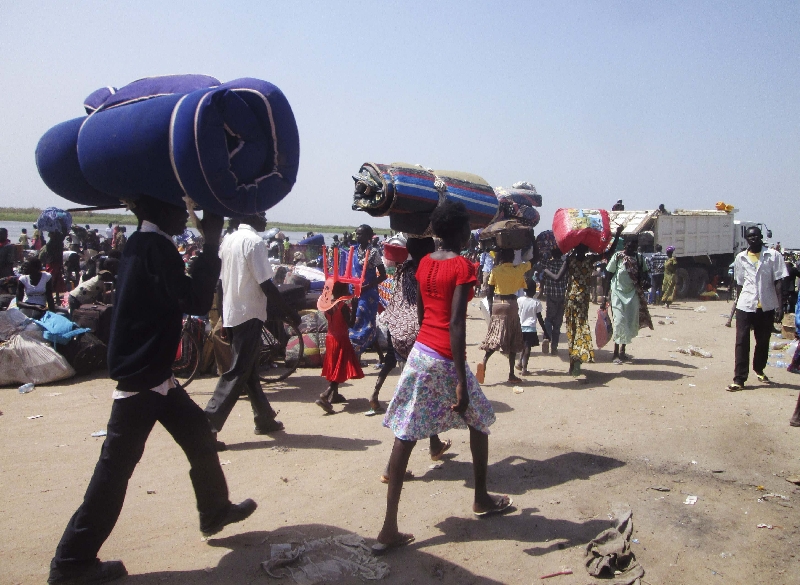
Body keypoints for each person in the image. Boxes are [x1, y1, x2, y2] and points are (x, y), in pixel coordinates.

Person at [48, 195, 256, 585]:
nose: (185, 214)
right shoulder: (156, 248)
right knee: (114, 472)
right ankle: (71, 561)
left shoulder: (141, 243)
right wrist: (210, 244)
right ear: (159, 210)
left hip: (153, 373)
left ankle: (214, 510)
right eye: (179, 208)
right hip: (143, 378)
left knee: (198, 434)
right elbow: (194, 299)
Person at [375, 201, 510, 555]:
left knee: (405, 433)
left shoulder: (423, 264)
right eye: (468, 229)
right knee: (478, 421)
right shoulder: (464, 267)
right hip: (445, 357)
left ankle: (389, 527)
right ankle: (480, 498)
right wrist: (461, 381)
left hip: (421, 353)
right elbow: (457, 324)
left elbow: (423, 313)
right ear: (460, 231)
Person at [204, 213, 300, 448]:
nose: (265, 219)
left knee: (249, 370)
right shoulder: (254, 242)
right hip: (249, 314)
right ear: (250, 217)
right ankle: (206, 425)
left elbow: (221, 284)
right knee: (238, 371)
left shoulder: (229, 240)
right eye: (262, 215)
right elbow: (266, 283)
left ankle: (264, 419)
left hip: (234, 312)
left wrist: (225, 319)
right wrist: (289, 312)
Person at [726, 226, 788, 391]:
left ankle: (759, 367)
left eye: (756, 236)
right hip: (746, 305)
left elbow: (779, 282)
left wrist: (780, 306)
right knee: (741, 341)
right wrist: (737, 303)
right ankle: (739, 379)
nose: (753, 238)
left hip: (766, 305)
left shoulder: (774, 256)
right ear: (746, 239)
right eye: (750, 236)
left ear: (761, 237)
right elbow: (740, 282)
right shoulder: (741, 257)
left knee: (763, 341)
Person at [564, 226, 623, 376]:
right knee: (581, 328)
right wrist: (617, 235)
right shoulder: (590, 259)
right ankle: (578, 359)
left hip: (571, 298)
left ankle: (573, 361)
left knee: (571, 330)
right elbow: (609, 253)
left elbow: (560, 275)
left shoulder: (570, 260)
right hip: (583, 299)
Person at [477, 248, 530, 384]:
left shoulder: (495, 270)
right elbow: (534, 260)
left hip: (497, 304)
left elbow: (489, 292)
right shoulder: (518, 269)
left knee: (495, 337)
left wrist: (491, 308)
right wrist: (531, 239)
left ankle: (484, 361)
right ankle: (511, 374)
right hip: (511, 304)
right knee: (512, 339)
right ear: (512, 257)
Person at [316, 282, 364, 413]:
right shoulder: (342, 306)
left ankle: (335, 395)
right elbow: (351, 324)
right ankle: (326, 395)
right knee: (340, 367)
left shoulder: (327, 305)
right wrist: (354, 307)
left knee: (334, 366)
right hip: (341, 339)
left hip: (330, 339)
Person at [606, 235, 654, 364]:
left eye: (634, 245)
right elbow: (609, 275)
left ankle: (622, 351)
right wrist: (606, 295)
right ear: (625, 245)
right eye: (629, 245)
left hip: (632, 294)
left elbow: (645, 275)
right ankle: (615, 353)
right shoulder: (617, 257)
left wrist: (645, 281)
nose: (631, 247)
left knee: (628, 322)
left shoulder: (639, 259)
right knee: (619, 321)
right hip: (617, 293)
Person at [348, 225, 387, 359]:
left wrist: (366, 287)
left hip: (369, 294)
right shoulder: (354, 250)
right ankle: (381, 357)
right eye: (357, 234)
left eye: (361, 234)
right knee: (367, 324)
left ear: (368, 237)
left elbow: (383, 275)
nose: (358, 237)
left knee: (360, 322)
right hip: (356, 292)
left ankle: (355, 356)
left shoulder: (374, 252)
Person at [515, 281, 548, 375]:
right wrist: (545, 331)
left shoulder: (519, 300)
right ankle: (524, 369)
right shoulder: (536, 303)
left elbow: (516, 313)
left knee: (523, 346)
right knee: (527, 348)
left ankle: (519, 362)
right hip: (531, 328)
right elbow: (540, 318)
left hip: (520, 327)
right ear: (534, 291)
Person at [540, 246, 567, 354]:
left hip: (551, 296)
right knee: (558, 322)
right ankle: (554, 347)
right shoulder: (564, 265)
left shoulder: (548, 265)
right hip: (561, 296)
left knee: (548, 318)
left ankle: (547, 336)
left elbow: (541, 262)